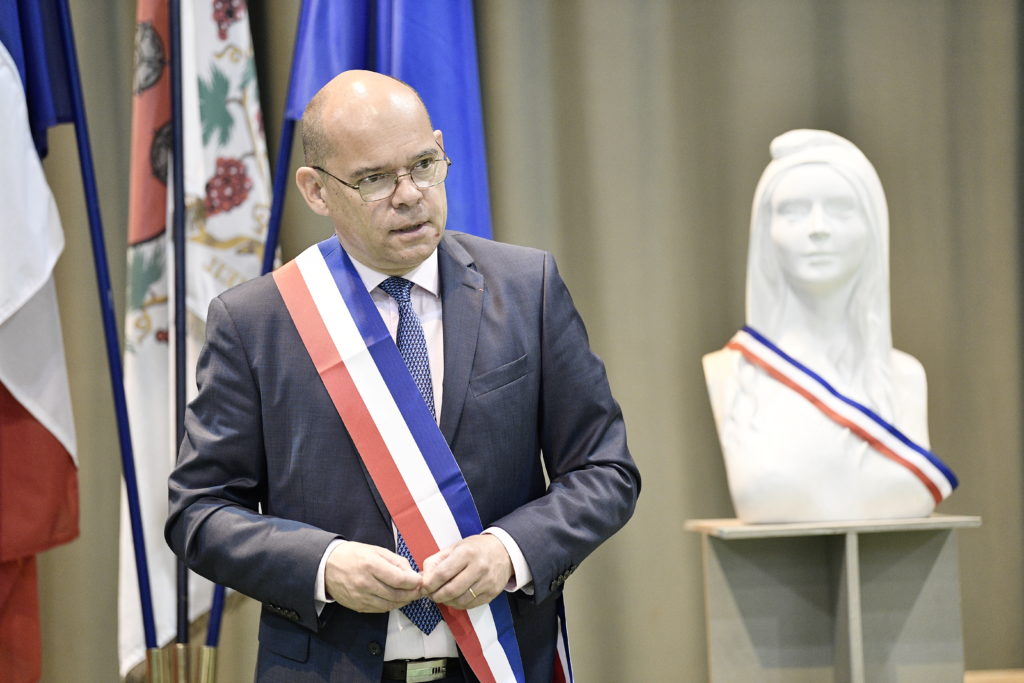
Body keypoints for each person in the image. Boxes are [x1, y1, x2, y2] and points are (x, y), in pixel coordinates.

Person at [165, 70, 640, 682]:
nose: (410, 193)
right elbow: (198, 512)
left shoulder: (528, 289)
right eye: (373, 178)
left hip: (499, 659)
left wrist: (509, 549)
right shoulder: (256, 322)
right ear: (315, 189)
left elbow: (606, 471)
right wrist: (324, 565)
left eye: (423, 164)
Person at [702, 129, 956, 523]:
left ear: (872, 226)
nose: (817, 228)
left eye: (840, 209)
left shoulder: (906, 378)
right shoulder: (730, 375)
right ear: (767, 231)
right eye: (793, 211)